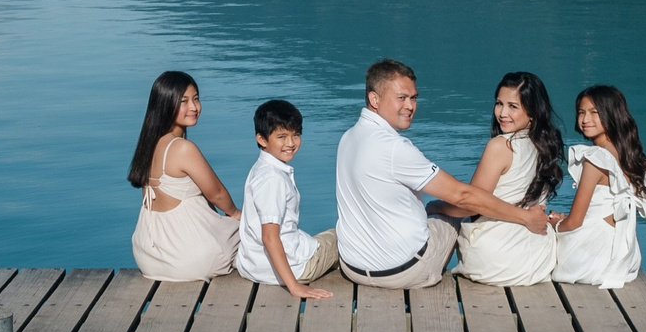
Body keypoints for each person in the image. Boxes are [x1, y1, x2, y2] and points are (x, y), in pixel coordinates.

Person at [335, 58, 549, 290]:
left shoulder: (348, 137)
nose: (410, 106)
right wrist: (526, 217)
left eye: (413, 98)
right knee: (452, 210)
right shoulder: (395, 148)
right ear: (374, 99)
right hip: (402, 272)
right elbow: (464, 198)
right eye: (401, 98)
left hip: (352, 267)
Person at [450, 71, 563, 287]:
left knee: (448, 213)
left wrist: (436, 207)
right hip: (538, 260)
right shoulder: (545, 146)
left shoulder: (501, 146)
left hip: (496, 262)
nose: (502, 113)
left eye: (513, 106)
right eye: (499, 103)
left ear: (532, 112)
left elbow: (470, 205)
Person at [126, 70, 241, 282]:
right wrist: (235, 214)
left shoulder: (148, 145)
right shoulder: (181, 148)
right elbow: (216, 193)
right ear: (165, 104)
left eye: (196, 99)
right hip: (187, 259)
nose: (194, 107)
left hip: (150, 257)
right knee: (257, 230)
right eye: (184, 101)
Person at [551, 83, 646, 289]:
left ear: (611, 114)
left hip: (592, 258)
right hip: (624, 254)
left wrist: (554, 224)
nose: (585, 119)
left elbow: (574, 222)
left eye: (594, 112)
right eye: (581, 112)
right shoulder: (628, 154)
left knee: (537, 234)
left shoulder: (596, 159)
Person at [235, 99, 338, 299]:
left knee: (328, 235)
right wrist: (295, 287)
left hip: (253, 266)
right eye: (281, 137)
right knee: (347, 234)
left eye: (296, 135)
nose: (291, 143)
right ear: (262, 139)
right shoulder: (273, 179)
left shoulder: (261, 168)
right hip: (295, 268)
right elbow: (269, 237)